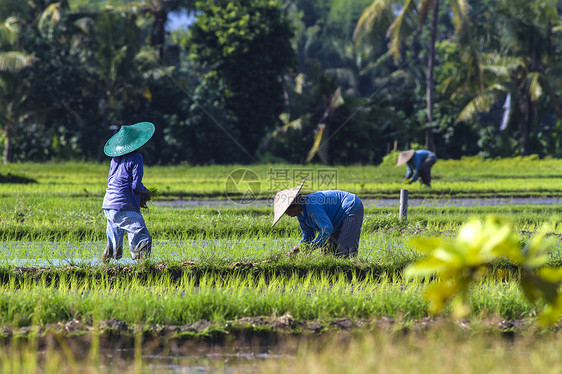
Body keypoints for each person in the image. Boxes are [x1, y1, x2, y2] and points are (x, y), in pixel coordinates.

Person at [101, 122, 155, 263]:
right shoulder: (137, 157)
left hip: (109, 204)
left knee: (114, 243)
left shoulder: (115, 159)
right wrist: (146, 192)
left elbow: (113, 181)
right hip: (125, 204)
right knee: (142, 237)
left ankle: (105, 268)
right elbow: (136, 185)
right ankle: (145, 270)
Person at [272, 180, 364, 259]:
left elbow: (327, 228)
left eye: (288, 212)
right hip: (334, 218)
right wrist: (297, 249)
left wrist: (313, 247)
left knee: (345, 250)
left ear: (295, 206)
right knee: (327, 254)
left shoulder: (312, 206)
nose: (288, 215)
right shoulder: (301, 215)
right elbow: (308, 236)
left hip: (350, 206)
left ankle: (350, 273)